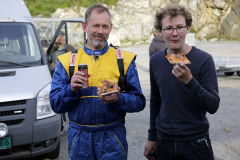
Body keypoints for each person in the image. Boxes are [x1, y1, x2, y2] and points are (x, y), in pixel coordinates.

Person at [50, 4, 146, 160]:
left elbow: (139, 102)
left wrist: (118, 99)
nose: (100, 31)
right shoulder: (67, 61)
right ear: (84, 26)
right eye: (96, 25)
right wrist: (70, 90)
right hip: (79, 137)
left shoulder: (124, 59)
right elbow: (55, 104)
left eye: (105, 26)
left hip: (113, 137)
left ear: (111, 28)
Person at [144, 4, 220, 160]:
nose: (174, 33)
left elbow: (213, 105)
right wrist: (152, 137)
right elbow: (156, 102)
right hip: (164, 140)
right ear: (160, 32)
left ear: (188, 29)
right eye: (168, 28)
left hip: (196, 142)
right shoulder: (156, 60)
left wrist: (190, 82)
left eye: (179, 27)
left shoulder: (204, 60)